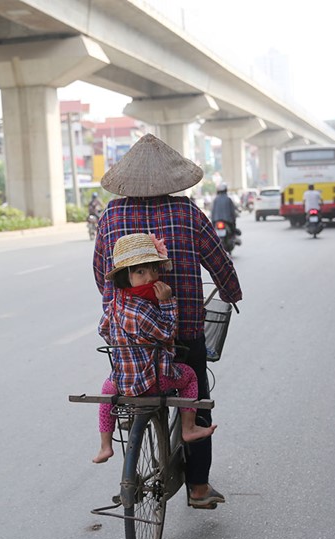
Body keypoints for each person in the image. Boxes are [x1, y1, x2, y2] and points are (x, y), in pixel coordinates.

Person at [93, 133, 242, 509]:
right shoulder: (187, 212)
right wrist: (230, 292)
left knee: (123, 379)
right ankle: (198, 488)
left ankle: (127, 429)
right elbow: (218, 259)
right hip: (183, 329)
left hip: (127, 334)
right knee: (197, 394)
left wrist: (117, 304)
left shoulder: (111, 214)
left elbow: (100, 271)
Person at [93, 233, 217, 464]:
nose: (150, 277)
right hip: (153, 381)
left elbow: (103, 329)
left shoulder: (116, 304)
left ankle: (105, 445)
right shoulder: (144, 309)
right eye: (140, 272)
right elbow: (167, 332)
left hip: (122, 381)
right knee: (190, 376)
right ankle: (189, 428)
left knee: (105, 392)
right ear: (125, 277)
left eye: (154, 270)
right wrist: (168, 303)